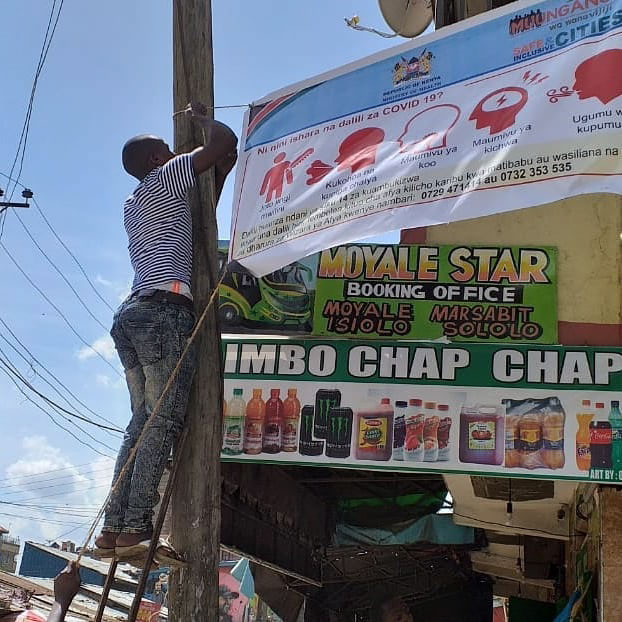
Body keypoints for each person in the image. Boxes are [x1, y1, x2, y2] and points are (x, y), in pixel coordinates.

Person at [94, 103, 238, 559]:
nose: (177, 150)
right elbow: (225, 141)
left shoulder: (133, 202)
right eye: (168, 147)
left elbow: (201, 210)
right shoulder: (170, 173)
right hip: (163, 312)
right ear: (159, 159)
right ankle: (136, 525)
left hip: (132, 315)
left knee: (140, 419)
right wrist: (200, 118)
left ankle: (115, 527)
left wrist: (218, 168)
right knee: (163, 419)